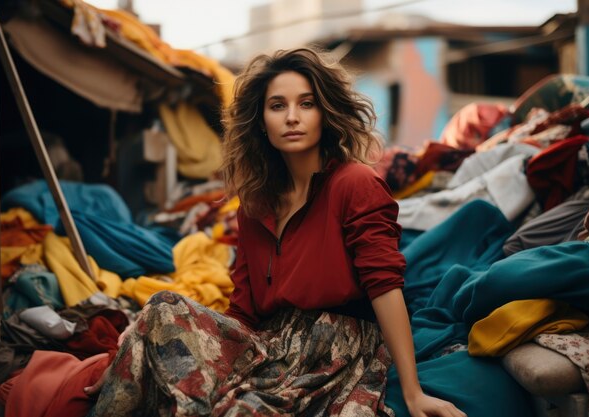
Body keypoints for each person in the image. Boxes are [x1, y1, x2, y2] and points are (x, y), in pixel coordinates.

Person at [85, 47, 466, 417]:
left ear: (325, 113)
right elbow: (243, 311)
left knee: (241, 411)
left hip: (339, 350)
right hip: (270, 345)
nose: (292, 117)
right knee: (160, 307)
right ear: (261, 121)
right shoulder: (255, 206)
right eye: (278, 105)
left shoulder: (354, 183)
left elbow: (385, 285)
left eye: (307, 103)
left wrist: (413, 394)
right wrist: (133, 355)